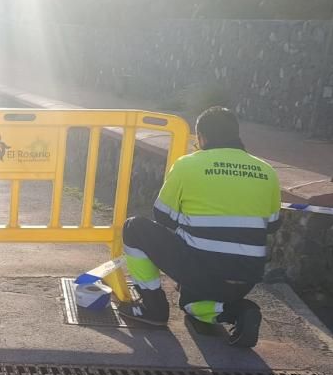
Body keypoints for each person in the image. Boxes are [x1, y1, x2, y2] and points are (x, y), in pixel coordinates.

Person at [119, 106, 281, 347]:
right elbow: (272, 225)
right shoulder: (267, 171)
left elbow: (163, 217)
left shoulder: (188, 165)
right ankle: (240, 311)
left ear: (202, 137)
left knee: (134, 228)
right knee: (191, 305)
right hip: (245, 277)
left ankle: (152, 307)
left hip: (203, 270)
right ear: (236, 135)